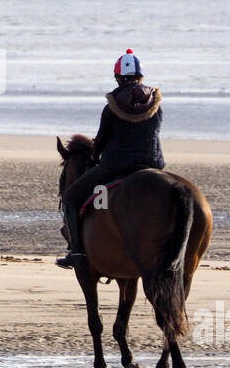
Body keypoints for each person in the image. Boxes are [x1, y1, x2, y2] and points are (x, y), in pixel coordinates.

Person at [56, 49, 165, 269]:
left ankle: (76, 252)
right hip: (153, 164)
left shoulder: (112, 106)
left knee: (71, 197)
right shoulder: (156, 104)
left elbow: (102, 142)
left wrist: (95, 156)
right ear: (140, 76)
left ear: (118, 77)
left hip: (117, 166)